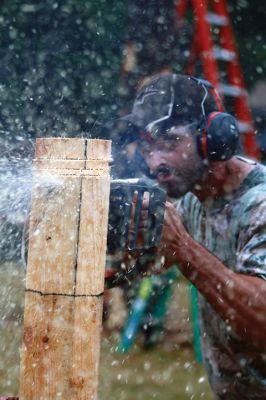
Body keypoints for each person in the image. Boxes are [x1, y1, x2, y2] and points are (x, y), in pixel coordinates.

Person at [117, 73, 266, 399]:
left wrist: (183, 249)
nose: (156, 162)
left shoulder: (260, 205)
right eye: (147, 147)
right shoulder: (190, 203)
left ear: (211, 139)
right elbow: (126, 268)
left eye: (169, 143)